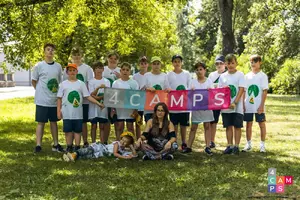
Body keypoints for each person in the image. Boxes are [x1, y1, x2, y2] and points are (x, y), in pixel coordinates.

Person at [57, 63, 104, 152]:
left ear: (77, 72)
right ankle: (69, 146)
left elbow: (88, 96)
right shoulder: (63, 84)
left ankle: (77, 147)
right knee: (68, 131)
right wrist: (58, 111)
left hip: (78, 113)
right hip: (67, 112)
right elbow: (59, 98)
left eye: (74, 70)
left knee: (78, 130)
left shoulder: (81, 84)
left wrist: (98, 103)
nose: (72, 72)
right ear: (67, 72)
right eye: (70, 70)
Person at [31, 43, 64, 153]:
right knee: (41, 122)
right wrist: (40, 92)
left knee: (54, 122)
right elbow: (34, 81)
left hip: (54, 100)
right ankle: (38, 145)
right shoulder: (39, 66)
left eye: (52, 50)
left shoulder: (58, 66)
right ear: (44, 52)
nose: (50, 51)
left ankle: (55, 144)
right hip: (42, 100)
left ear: (54, 52)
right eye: (48, 49)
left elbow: (60, 82)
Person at [63, 47, 94, 148]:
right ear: (71, 57)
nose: (76, 57)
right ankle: (70, 144)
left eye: (78, 55)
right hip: (70, 101)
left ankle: (84, 141)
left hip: (83, 100)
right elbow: (64, 84)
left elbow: (89, 83)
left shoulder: (87, 68)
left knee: (83, 121)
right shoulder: (67, 69)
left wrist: (88, 96)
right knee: (71, 121)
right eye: (74, 55)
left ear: (81, 56)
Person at [183, 62, 214, 155]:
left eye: (201, 69)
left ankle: (208, 147)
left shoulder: (209, 81)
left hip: (206, 108)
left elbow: (213, 95)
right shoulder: (193, 82)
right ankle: (189, 147)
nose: (199, 71)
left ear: (205, 70)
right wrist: (191, 92)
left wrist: (210, 91)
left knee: (207, 126)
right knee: (193, 127)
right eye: (197, 70)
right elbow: (188, 96)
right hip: (196, 108)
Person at [218, 54, 246, 154]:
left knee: (237, 126)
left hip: (237, 106)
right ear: (225, 64)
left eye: (232, 63)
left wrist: (235, 102)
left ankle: (236, 146)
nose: (230, 65)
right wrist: (226, 103)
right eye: (228, 63)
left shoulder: (240, 75)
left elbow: (241, 89)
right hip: (226, 106)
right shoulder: (222, 76)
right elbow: (220, 91)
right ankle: (229, 145)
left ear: (236, 63)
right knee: (228, 126)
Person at [242, 55, 268, 153]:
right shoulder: (247, 76)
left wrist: (261, 105)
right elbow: (244, 91)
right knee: (248, 124)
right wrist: (243, 104)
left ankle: (262, 145)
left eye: (255, 61)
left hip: (258, 105)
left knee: (261, 124)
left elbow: (265, 91)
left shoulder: (263, 76)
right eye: (251, 61)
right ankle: (248, 144)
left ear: (260, 62)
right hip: (248, 105)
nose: (252, 63)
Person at [167, 55, 191, 151]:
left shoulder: (187, 74)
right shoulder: (168, 74)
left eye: (179, 61)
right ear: (172, 63)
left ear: (181, 63)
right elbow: (167, 86)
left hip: (184, 104)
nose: (177, 63)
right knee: (174, 125)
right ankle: (175, 142)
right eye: (175, 61)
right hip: (173, 104)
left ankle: (184, 142)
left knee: (183, 125)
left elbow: (189, 86)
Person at [62, 132, 137, 162]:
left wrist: (131, 147)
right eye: (122, 140)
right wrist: (124, 158)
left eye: (125, 142)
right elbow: (115, 153)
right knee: (87, 150)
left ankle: (72, 158)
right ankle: (74, 153)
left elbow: (134, 154)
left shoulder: (123, 150)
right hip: (99, 148)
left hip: (101, 153)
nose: (122, 142)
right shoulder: (117, 144)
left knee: (88, 156)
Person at [112, 62, 139, 140]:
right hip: (119, 109)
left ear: (130, 71)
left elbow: (137, 98)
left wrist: (135, 110)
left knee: (130, 127)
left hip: (130, 110)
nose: (125, 71)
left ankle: (132, 144)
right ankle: (119, 144)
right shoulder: (116, 83)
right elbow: (113, 97)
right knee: (119, 127)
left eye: (127, 70)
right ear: (120, 71)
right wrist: (113, 109)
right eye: (123, 69)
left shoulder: (134, 83)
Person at [88, 61, 111, 144]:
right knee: (93, 126)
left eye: (100, 68)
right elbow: (91, 95)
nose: (99, 70)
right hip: (93, 107)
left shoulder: (107, 81)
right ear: (94, 70)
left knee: (102, 126)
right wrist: (98, 88)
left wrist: (100, 97)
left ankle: (102, 143)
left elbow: (109, 94)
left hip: (103, 107)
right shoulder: (91, 81)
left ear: (103, 69)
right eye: (97, 68)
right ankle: (93, 143)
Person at [208, 55, 227, 148]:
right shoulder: (212, 75)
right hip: (215, 101)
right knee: (213, 121)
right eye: (217, 63)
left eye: (221, 63)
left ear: (225, 64)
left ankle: (230, 143)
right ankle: (212, 141)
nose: (219, 65)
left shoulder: (228, 74)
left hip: (226, 101)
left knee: (228, 122)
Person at [144, 56, 170, 122]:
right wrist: (148, 88)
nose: (156, 65)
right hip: (149, 107)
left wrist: (168, 90)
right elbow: (142, 89)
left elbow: (167, 88)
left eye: (158, 63)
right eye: (154, 63)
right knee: (149, 127)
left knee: (161, 128)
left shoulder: (164, 75)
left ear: (160, 65)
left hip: (161, 108)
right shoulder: (146, 75)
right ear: (151, 65)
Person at [103, 52, 121, 137]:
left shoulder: (120, 70)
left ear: (118, 61)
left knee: (117, 121)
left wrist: (120, 77)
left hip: (117, 98)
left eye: (115, 59)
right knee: (107, 121)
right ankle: (105, 142)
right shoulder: (103, 69)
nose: (113, 60)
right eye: (111, 58)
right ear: (108, 59)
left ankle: (119, 141)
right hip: (105, 97)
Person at [132, 56, 149, 139]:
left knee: (148, 123)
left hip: (148, 103)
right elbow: (134, 90)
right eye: (141, 63)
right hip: (138, 103)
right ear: (139, 65)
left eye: (145, 63)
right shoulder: (135, 76)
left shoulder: (150, 75)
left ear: (148, 65)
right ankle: (138, 140)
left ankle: (147, 140)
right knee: (138, 122)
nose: (143, 65)